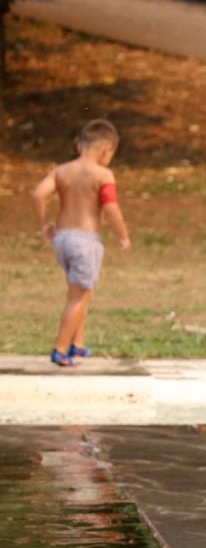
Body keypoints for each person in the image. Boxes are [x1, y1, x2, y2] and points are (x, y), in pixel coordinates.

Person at [31, 119, 131, 367]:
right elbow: (110, 207)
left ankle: (78, 343)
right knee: (77, 297)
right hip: (85, 240)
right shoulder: (103, 174)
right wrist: (123, 235)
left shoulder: (61, 171)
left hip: (63, 239)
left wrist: (45, 223)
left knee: (82, 291)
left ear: (79, 146)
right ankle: (61, 349)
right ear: (107, 149)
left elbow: (38, 194)